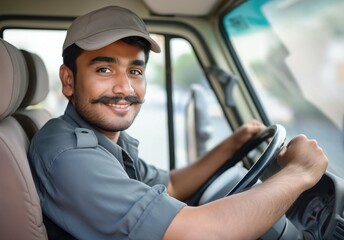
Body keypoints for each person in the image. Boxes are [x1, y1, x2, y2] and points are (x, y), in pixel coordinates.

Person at [28, 5, 328, 240]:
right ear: (68, 81)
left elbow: (169, 185)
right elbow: (201, 233)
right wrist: (300, 172)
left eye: (135, 71)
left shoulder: (104, 140)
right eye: (104, 69)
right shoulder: (70, 154)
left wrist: (232, 144)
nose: (124, 89)